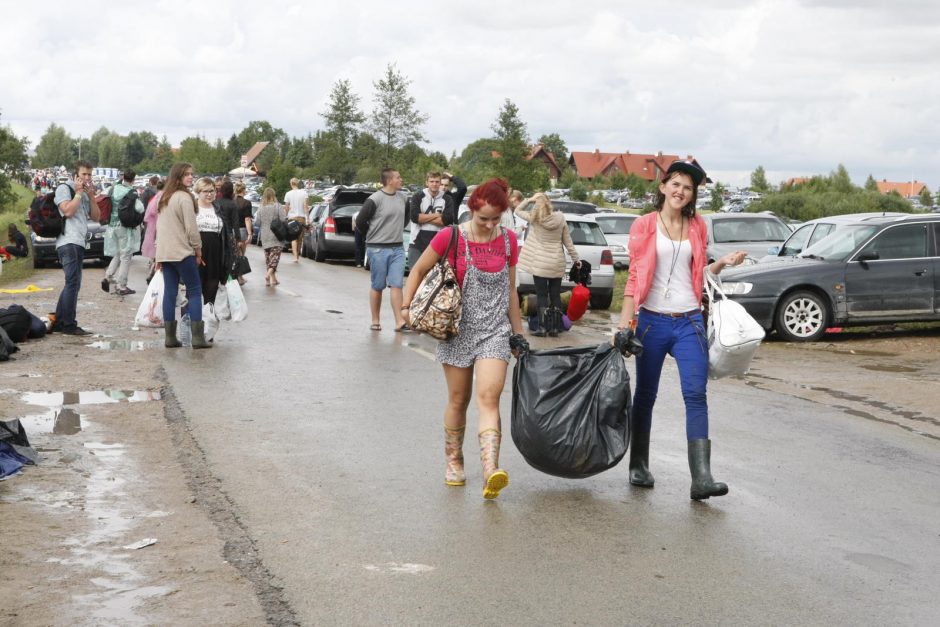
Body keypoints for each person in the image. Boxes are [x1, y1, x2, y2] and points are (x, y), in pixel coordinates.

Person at [614, 159, 747, 501]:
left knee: (696, 393)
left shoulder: (698, 226)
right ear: (663, 187)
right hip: (652, 320)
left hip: (689, 320)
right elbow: (632, 279)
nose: (680, 191)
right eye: (675, 184)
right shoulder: (644, 225)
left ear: (692, 195)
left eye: (687, 188)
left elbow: (700, 270)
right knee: (646, 395)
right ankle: (638, 465)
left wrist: (723, 263)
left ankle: (701, 477)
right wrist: (625, 325)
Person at [402, 178, 526, 500]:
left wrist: (518, 333)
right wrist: (406, 308)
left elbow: (511, 291)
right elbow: (416, 271)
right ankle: (454, 461)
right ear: (472, 210)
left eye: (495, 219)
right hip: (456, 329)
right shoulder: (451, 236)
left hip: (494, 332)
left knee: (489, 398)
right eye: (483, 218)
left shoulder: (510, 242)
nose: (488, 225)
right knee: (459, 400)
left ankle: (490, 470)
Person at [155, 163, 210, 349]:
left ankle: (169, 337)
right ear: (178, 177)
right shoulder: (184, 198)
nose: (190, 177)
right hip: (182, 252)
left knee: (170, 292)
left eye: (191, 174)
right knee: (194, 291)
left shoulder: (164, 197)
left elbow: (159, 228)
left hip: (166, 252)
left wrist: (158, 255)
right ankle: (197, 338)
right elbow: (191, 229)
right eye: (186, 174)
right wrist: (198, 248)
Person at [514, 192, 580, 337]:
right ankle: (555, 328)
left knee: (542, 295)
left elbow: (517, 210)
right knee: (555, 294)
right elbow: (568, 241)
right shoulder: (561, 219)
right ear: (550, 204)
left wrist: (530, 199)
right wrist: (576, 259)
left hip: (540, 263)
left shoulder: (534, 219)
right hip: (557, 262)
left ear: (537, 207)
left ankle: (543, 328)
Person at [355, 168, 409, 332]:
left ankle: (399, 321)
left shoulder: (404, 198)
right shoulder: (375, 199)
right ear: (390, 180)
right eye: (398, 177)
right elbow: (360, 221)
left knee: (397, 284)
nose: (401, 180)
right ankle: (375, 320)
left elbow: (406, 218)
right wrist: (372, 236)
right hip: (377, 248)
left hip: (398, 247)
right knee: (378, 285)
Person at [52, 160, 101, 335]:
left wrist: (92, 197)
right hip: (67, 241)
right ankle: (69, 324)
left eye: (89, 174)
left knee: (73, 283)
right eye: (83, 175)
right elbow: (68, 211)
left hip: (79, 241)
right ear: (76, 175)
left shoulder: (86, 193)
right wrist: (79, 193)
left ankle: (59, 321)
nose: (87, 178)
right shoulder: (64, 189)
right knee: (73, 282)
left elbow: (96, 217)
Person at [102, 169, 145, 296]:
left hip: (112, 226)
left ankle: (108, 276)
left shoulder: (114, 188)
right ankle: (122, 286)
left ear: (123, 177)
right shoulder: (130, 192)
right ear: (133, 179)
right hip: (124, 227)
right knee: (126, 256)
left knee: (118, 253)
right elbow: (140, 208)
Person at [194, 177, 235, 308]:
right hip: (196, 253)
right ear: (198, 192)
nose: (209, 194)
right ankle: (192, 321)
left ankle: (208, 317)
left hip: (216, 253)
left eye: (212, 190)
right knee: (194, 289)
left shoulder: (218, 208)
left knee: (211, 287)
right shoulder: (192, 207)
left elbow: (226, 232)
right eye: (205, 191)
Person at [407, 171, 455, 270]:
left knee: (434, 278)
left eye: (437, 182)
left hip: (439, 243)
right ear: (427, 182)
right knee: (415, 275)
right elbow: (415, 218)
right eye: (431, 181)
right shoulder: (417, 196)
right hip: (417, 243)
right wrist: (436, 215)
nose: (434, 184)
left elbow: (446, 221)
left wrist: (423, 217)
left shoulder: (447, 199)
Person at [255, 187, 285, 286]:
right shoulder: (278, 206)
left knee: (268, 258)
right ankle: (268, 275)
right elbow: (283, 220)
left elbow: (257, 222)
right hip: (276, 235)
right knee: (275, 258)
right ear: (273, 195)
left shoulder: (261, 207)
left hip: (264, 235)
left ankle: (272, 280)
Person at [216, 181, 244, 284]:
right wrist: (238, 239)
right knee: (231, 258)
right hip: (229, 234)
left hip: (217, 233)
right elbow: (236, 224)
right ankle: (230, 278)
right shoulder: (233, 204)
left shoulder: (216, 202)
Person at [141, 180, 164, 282]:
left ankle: (153, 271)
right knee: (160, 253)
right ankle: (154, 273)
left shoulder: (155, 197)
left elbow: (147, 215)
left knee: (157, 253)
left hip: (153, 227)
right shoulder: (163, 198)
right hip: (160, 227)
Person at [283, 178, 308, 263]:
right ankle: (297, 254)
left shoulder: (288, 194)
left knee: (294, 238)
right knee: (300, 238)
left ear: (291, 184)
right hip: (301, 218)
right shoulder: (304, 193)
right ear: (298, 184)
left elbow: (286, 207)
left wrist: (285, 216)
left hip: (292, 218)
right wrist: (307, 218)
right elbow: (305, 206)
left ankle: (295, 256)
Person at [234, 181, 253, 254]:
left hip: (231, 231)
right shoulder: (246, 203)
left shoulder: (231, 202)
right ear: (244, 190)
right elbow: (247, 219)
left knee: (233, 254)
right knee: (241, 255)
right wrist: (250, 233)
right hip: (242, 230)